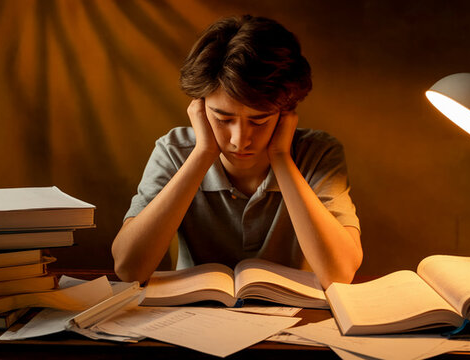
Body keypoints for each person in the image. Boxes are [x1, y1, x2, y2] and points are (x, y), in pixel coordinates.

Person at [112, 15, 361, 288]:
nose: (240, 141)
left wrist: (281, 157)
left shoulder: (319, 154)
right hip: (194, 318)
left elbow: (340, 274)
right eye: (223, 118)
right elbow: (128, 269)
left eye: (259, 120)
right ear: (199, 107)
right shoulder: (174, 151)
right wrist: (203, 153)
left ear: (286, 111)